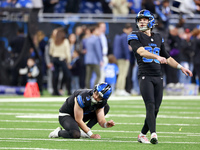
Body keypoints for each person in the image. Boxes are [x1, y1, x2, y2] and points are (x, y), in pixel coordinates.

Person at [127, 9, 193, 144]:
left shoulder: (158, 37)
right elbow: (141, 52)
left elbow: (167, 57)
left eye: (144, 19)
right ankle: (154, 135)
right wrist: (157, 56)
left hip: (158, 75)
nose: (142, 22)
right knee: (150, 106)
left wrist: (181, 67)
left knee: (156, 108)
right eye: (140, 20)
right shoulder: (134, 35)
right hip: (145, 75)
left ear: (151, 21)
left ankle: (142, 134)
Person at [48, 82, 115, 139]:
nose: (96, 97)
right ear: (95, 89)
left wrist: (106, 124)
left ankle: (85, 131)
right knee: (75, 134)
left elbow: (100, 120)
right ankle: (57, 133)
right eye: (96, 93)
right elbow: (78, 120)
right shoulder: (83, 96)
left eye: (100, 97)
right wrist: (91, 135)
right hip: (67, 115)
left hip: (82, 114)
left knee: (106, 107)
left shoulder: (102, 102)